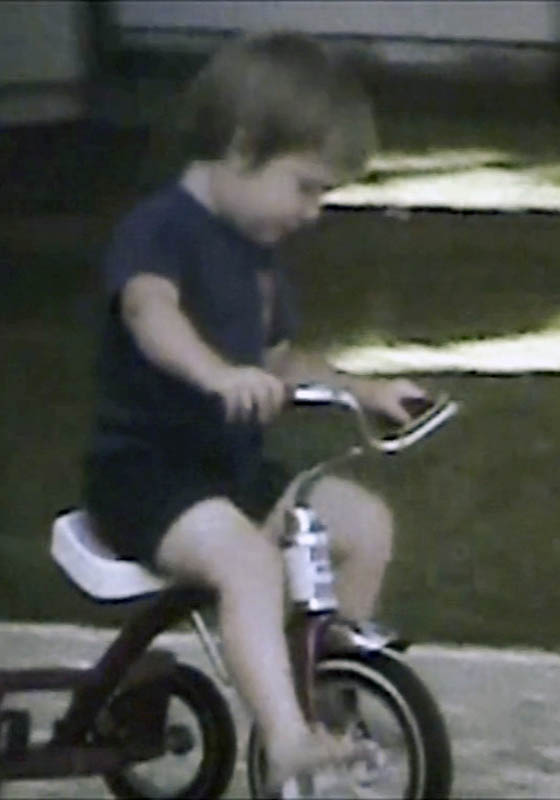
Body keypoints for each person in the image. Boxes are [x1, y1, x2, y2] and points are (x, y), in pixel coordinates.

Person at [82, 31, 428, 790]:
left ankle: (332, 685)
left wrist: (361, 390)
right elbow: (150, 313)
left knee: (364, 524)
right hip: (148, 477)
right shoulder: (161, 228)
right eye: (306, 187)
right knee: (249, 564)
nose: (312, 211)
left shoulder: (254, 250)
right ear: (242, 147)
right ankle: (286, 736)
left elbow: (280, 360)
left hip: (230, 473)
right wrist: (214, 374)